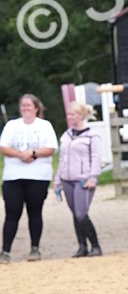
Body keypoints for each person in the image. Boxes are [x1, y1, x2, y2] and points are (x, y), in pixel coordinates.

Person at [0, 93, 58, 263]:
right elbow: (3, 146)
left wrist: (33, 153)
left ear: (36, 108)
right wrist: (20, 154)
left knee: (35, 211)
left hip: (38, 175)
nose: (25, 109)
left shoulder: (44, 126)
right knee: (12, 212)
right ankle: (5, 250)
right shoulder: (12, 125)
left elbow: (51, 148)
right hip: (14, 175)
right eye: (23, 105)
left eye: (28, 105)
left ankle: (35, 248)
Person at [53, 100, 103, 257]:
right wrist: (57, 180)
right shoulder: (66, 135)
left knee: (81, 213)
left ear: (81, 115)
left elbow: (96, 158)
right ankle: (82, 246)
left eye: (72, 114)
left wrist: (93, 177)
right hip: (67, 178)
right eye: (68, 114)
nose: (69, 117)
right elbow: (62, 159)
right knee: (75, 213)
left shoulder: (92, 136)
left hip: (83, 179)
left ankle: (95, 245)